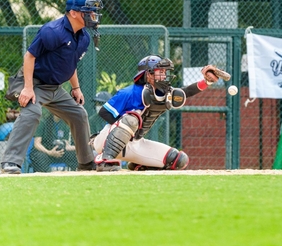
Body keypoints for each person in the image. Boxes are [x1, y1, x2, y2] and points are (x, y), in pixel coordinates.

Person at [1, 0, 103, 174]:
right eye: (88, 12)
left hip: (54, 88)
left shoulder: (84, 37)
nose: (93, 16)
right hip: (33, 82)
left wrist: (76, 88)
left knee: (79, 114)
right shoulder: (52, 31)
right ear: (73, 13)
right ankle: (10, 163)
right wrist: (28, 88)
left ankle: (86, 163)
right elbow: (29, 57)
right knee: (32, 112)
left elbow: (70, 64)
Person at [91, 55, 221, 172]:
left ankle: (139, 164)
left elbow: (186, 92)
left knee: (178, 159)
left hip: (135, 144)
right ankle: (105, 160)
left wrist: (206, 81)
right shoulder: (129, 92)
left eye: (164, 72)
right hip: (107, 142)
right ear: (148, 74)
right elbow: (104, 112)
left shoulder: (163, 94)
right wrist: (123, 127)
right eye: (160, 72)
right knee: (131, 119)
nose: (164, 75)